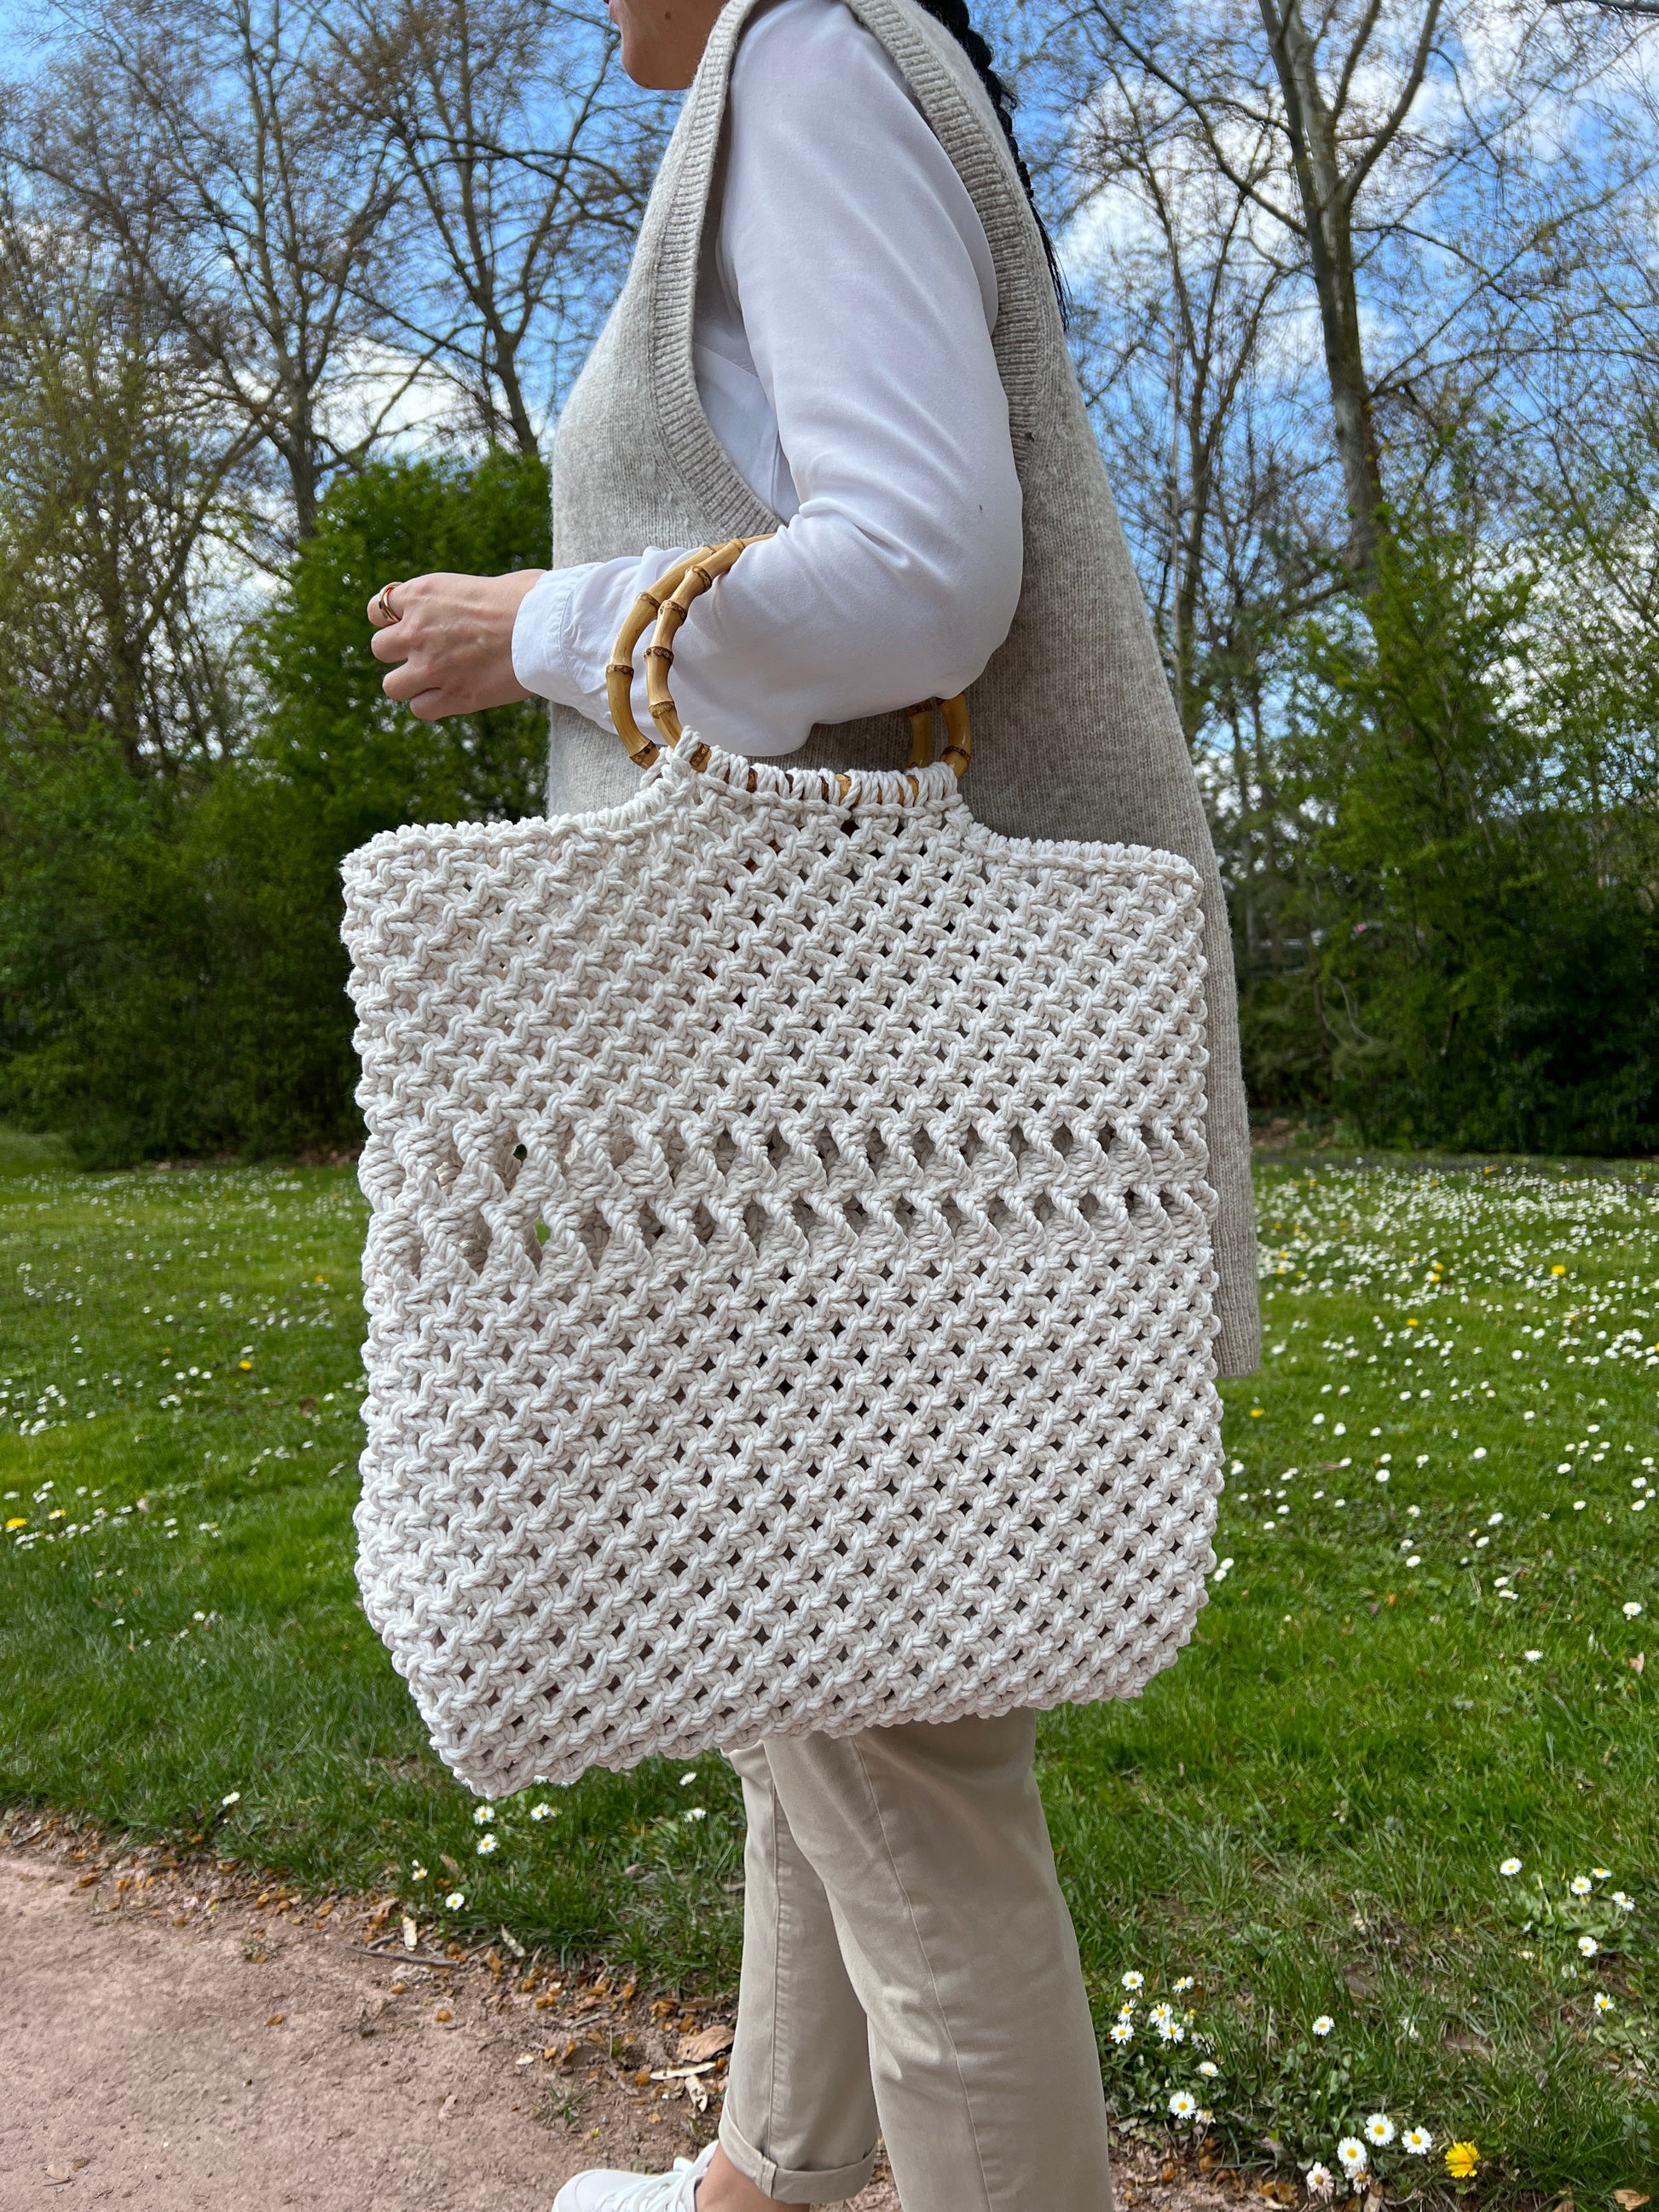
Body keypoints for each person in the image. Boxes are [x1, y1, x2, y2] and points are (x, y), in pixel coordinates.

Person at [367, 0, 1261, 2206]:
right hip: (842, 1120)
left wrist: (537, 622)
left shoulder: (807, 58)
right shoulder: (825, 72)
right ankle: (768, 2178)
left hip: (823, 1112)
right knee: (828, 1665)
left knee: (910, 1791)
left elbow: (922, 569)